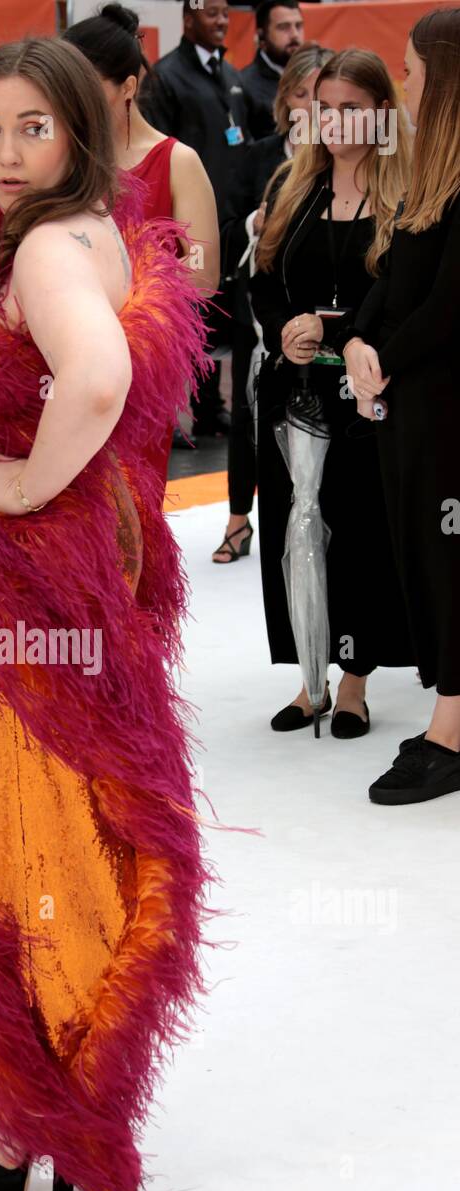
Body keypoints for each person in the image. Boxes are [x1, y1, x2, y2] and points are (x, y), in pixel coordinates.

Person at [0, 36, 213, 1191]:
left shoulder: (47, 248)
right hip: (56, 595)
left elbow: (96, 378)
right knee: (63, 836)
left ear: (77, 126)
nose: (8, 153)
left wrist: (20, 488)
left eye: (34, 127)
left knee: (19, 844)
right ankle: (51, 1105)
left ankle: (34, 1120)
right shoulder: (84, 230)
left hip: (12, 594)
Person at [250, 48, 414, 737]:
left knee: (359, 535)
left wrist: (333, 327)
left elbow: (400, 292)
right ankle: (307, 676)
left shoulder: (409, 193)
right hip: (293, 395)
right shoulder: (293, 183)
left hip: (366, 399)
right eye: (327, 107)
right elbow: (262, 280)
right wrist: (285, 325)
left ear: (381, 113)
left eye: (353, 108)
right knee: (294, 533)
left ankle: (353, 680)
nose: (338, 122)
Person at [343, 9, 460, 803]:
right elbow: (393, 276)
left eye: (413, 67)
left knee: (451, 564)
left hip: (447, 413)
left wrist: (381, 358)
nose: (405, 79)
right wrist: (357, 339)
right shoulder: (432, 173)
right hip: (413, 409)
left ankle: (449, 732)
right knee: (426, 557)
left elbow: (451, 306)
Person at [64, 2, 219, 499]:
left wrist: (130, 301)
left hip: (138, 372)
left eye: (86, 85)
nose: (71, 99)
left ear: (128, 87)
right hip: (59, 366)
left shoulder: (176, 161)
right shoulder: (62, 161)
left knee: (131, 522)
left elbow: (201, 274)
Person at [214, 43, 333, 562]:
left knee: (312, 408)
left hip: (314, 311)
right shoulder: (257, 157)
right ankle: (239, 519)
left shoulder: (347, 160)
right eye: (303, 93)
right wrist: (252, 225)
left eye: (322, 95)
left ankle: (309, 514)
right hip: (254, 305)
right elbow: (219, 229)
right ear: (286, 100)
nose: (311, 105)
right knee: (246, 410)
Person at [138, 0, 251, 437]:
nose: (222, 21)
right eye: (211, 13)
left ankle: (210, 406)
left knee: (216, 312)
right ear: (188, 18)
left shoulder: (230, 75)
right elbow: (155, 152)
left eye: (226, 14)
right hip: (184, 220)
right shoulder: (166, 77)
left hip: (230, 217)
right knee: (183, 311)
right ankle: (167, 412)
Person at [241, 1, 305, 140]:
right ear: (261, 35)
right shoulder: (244, 85)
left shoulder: (314, 76)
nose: (294, 35)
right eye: (284, 27)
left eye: (298, 26)